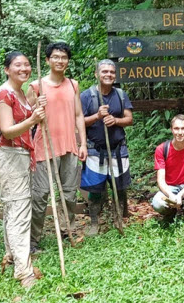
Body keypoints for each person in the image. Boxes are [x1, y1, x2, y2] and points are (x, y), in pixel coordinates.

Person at [0, 51, 46, 289]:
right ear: (6, 69)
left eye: (26, 65)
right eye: (17, 65)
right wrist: (33, 119)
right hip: (10, 157)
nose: (24, 68)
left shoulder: (20, 93)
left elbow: (24, 115)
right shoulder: (3, 95)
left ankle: (11, 255)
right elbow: (7, 130)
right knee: (20, 213)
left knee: (13, 209)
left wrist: (35, 105)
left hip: (22, 156)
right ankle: (24, 272)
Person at [26, 42, 87, 252]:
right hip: (44, 147)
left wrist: (83, 143)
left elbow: (79, 115)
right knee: (40, 195)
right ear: (47, 60)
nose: (60, 61)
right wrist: (36, 105)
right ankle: (33, 240)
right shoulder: (36, 86)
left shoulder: (73, 85)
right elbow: (27, 118)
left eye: (63, 57)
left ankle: (66, 230)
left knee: (69, 194)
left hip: (69, 146)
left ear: (68, 61)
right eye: (55, 57)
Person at [81, 59, 134, 235]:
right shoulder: (86, 96)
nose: (108, 75)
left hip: (118, 150)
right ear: (97, 74)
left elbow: (129, 118)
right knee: (96, 188)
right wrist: (97, 116)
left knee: (119, 187)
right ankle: (94, 222)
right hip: (96, 150)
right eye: (104, 72)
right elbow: (78, 122)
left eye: (111, 72)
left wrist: (116, 120)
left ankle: (118, 219)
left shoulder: (120, 94)